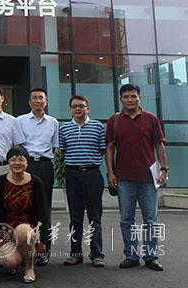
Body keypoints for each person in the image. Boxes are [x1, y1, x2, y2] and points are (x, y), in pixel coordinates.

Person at [106, 84, 168, 271]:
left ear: (139, 98)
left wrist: (164, 170)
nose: (130, 100)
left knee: (151, 220)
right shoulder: (114, 120)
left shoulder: (151, 119)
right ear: (121, 99)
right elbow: (110, 148)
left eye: (133, 96)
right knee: (127, 219)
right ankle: (131, 255)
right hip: (124, 178)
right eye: (126, 96)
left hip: (148, 178)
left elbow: (159, 146)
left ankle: (151, 256)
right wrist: (111, 172)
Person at [58, 95, 106, 267]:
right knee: (75, 216)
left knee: (95, 216)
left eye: (81, 106)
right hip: (73, 174)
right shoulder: (64, 128)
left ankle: (97, 254)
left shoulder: (98, 126)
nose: (78, 109)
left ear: (88, 108)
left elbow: (102, 149)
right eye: (74, 106)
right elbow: (63, 151)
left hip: (92, 174)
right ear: (70, 109)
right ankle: (75, 254)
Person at [0, 146, 48, 284]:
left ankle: (29, 267)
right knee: (9, 262)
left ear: (27, 162)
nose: (17, 163)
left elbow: (42, 213)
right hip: (7, 229)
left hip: (28, 227)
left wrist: (43, 240)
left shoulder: (35, 182)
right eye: (13, 160)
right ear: (8, 163)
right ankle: (16, 259)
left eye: (21, 159)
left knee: (23, 231)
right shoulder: (1, 182)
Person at [16, 88, 58, 265]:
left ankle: (44, 249)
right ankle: (24, 249)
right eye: (35, 98)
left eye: (41, 98)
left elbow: (54, 147)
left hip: (45, 165)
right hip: (26, 165)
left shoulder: (53, 122)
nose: (38, 101)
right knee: (24, 205)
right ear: (29, 102)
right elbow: (18, 145)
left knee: (44, 207)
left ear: (46, 101)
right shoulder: (20, 121)